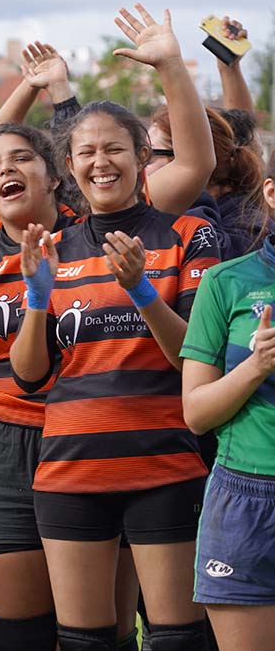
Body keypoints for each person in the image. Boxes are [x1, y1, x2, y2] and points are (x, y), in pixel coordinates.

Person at [11, 88, 220, 649]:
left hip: (165, 467)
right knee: (85, 639)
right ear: (69, 166)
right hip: (70, 470)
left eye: (115, 150)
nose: (100, 163)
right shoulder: (53, 247)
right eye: (86, 153)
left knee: (177, 636)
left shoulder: (187, 236)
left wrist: (141, 289)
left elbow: (192, 359)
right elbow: (28, 376)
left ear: (141, 155)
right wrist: (35, 297)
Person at [180, 163, 275, 651]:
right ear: (271, 193)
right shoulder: (226, 282)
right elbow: (195, 413)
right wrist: (256, 365)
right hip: (245, 498)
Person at [148, 105, 267, 259]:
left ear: (185, 162)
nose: (137, 165)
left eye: (149, 155)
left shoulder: (249, 230)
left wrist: (190, 190)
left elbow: (203, 260)